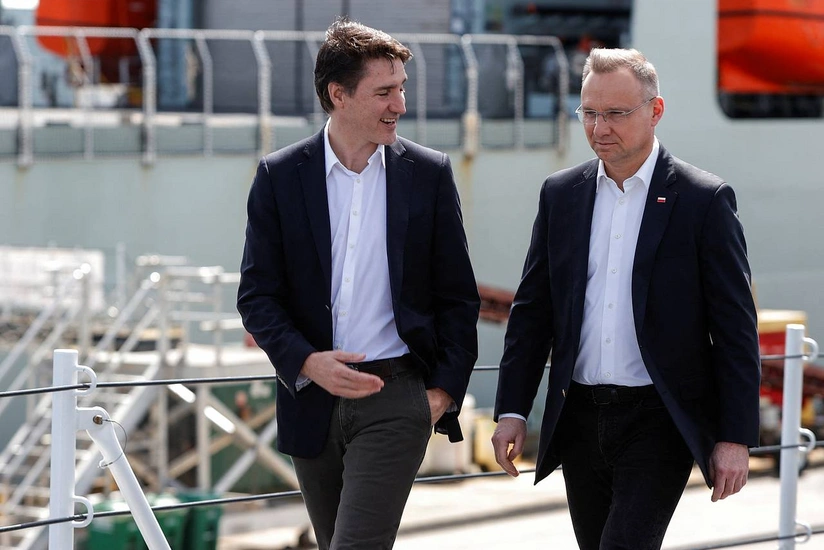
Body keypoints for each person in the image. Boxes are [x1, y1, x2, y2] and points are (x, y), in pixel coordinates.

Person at [491, 47, 761, 549]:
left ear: (654, 112)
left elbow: (735, 328)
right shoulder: (560, 195)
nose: (599, 128)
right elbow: (533, 313)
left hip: (657, 421)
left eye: (615, 113)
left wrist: (735, 436)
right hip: (577, 419)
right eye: (589, 113)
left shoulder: (704, 200)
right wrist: (512, 409)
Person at [237, 17, 480, 550]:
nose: (400, 105)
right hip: (311, 402)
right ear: (338, 95)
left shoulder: (428, 174)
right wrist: (305, 361)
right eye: (384, 92)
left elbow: (457, 295)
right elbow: (256, 295)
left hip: (395, 398)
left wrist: (440, 394)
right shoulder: (280, 176)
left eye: (401, 90)